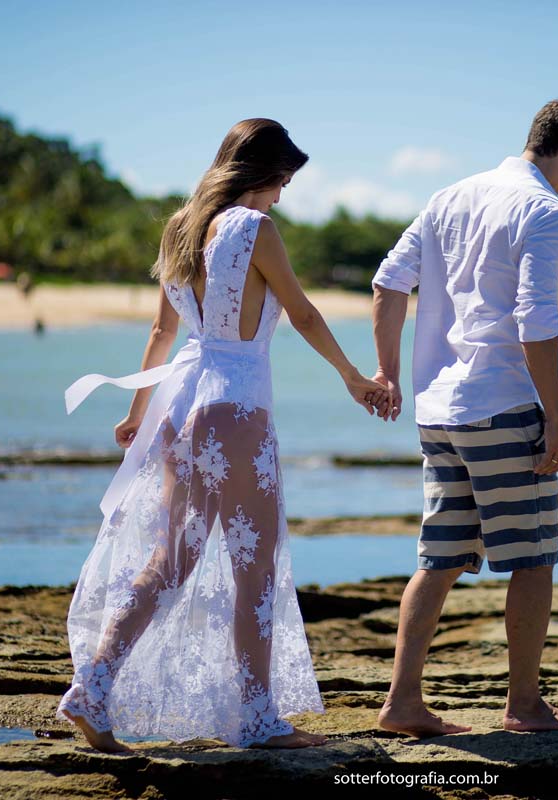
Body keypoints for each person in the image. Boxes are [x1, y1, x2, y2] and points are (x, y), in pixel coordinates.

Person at [56, 118, 390, 753]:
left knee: (171, 560)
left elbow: (161, 334)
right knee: (254, 566)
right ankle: (258, 717)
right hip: (236, 408)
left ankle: (91, 687)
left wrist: (137, 411)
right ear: (263, 172)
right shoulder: (255, 228)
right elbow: (303, 312)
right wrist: (351, 376)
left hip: (183, 408)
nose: (284, 192)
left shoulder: (180, 227)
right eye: (284, 178)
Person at [370, 99, 558, 737]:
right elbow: (535, 319)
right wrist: (555, 418)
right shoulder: (546, 209)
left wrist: (388, 374)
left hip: (438, 410)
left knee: (440, 556)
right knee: (531, 557)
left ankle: (402, 703)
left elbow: (388, 283)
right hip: (501, 402)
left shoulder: (449, 196)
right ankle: (524, 706)